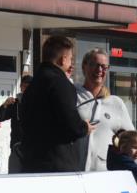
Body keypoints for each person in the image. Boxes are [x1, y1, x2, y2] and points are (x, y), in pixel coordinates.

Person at [74, 49, 137, 173]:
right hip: (73, 172)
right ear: (84, 66)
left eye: (104, 67)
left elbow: (134, 138)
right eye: (94, 65)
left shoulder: (115, 103)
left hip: (102, 173)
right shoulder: (72, 95)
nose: (99, 70)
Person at [20, 35, 95, 173]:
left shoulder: (33, 85)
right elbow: (70, 123)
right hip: (56, 164)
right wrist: (84, 127)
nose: (71, 63)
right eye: (70, 58)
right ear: (63, 59)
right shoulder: (59, 82)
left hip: (31, 162)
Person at [0, 74, 32, 174]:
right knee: (15, 176)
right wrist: (5, 105)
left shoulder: (38, 104)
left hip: (33, 149)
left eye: (29, 87)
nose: (26, 89)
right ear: (21, 87)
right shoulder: (15, 104)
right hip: (17, 148)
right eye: (24, 86)